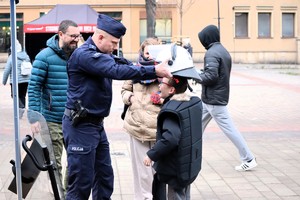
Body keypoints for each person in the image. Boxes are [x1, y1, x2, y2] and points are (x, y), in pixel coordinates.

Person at [62, 14, 171, 200]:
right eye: (113, 43)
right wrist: (154, 70)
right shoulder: (85, 55)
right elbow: (116, 71)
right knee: (81, 184)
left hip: (96, 125)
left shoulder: (104, 54)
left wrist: (152, 65)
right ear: (100, 37)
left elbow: (125, 64)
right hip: (81, 127)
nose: (115, 47)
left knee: (104, 178)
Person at [27, 19, 81, 197]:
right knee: (55, 163)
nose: (76, 39)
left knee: (75, 161)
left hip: (74, 120)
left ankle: (69, 194)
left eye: (78, 36)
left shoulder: (78, 55)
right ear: (61, 34)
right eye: (72, 36)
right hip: (52, 120)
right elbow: (34, 88)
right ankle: (60, 194)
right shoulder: (44, 57)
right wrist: (34, 118)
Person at [197, 24, 257, 171]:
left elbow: (211, 76)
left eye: (202, 39)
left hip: (214, 101)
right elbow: (215, 73)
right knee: (195, 127)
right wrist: (202, 73)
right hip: (212, 99)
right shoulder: (222, 50)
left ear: (207, 38)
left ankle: (248, 158)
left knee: (230, 129)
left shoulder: (211, 53)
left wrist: (197, 76)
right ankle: (188, 154)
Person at [143, 75, 202, 200]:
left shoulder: (171, 111)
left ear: (171, 90)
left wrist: (151, 154)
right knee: (184, 195)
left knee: (176, 196)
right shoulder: (191, 102)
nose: (159, 85)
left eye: (162, 83)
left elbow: (171, 138)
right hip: (188, 162)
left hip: (175, 167)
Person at [121, 37, 161, 200]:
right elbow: (124, 90)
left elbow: (175, 92)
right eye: (147, 52)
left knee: (155, 170)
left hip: (158, 128)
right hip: (138, 127)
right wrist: (130, 98)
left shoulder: (165, 71)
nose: (150, 56)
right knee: (142, 172)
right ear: (142, 53)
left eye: (154, 53)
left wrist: (162, 99)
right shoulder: (134, 70)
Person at [2, 40, 31, 119]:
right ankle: (21, 110)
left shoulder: (12, 57)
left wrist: (4, 81)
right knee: (22, 95)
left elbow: (7, 69)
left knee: (14, 95)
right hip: (26, 80)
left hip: (15, 80)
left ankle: (21, 107)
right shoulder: (25, 55)